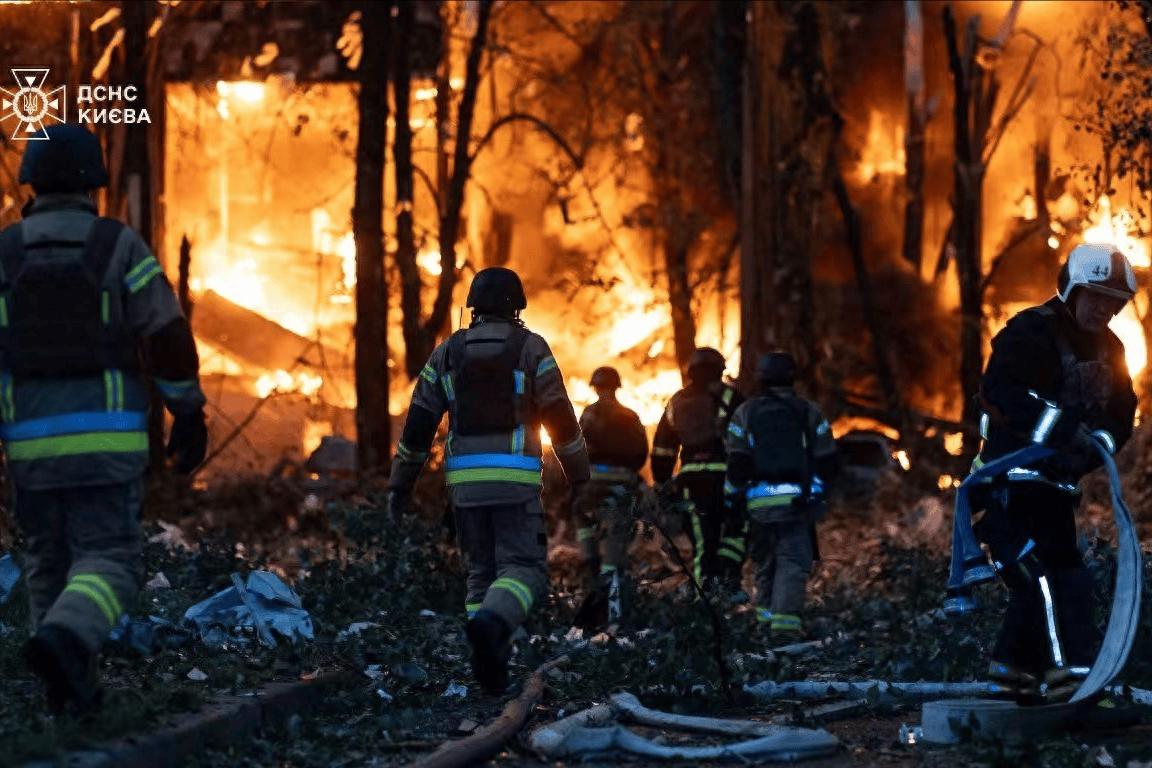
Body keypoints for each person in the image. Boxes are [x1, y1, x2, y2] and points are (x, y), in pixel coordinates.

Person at [4, 124, 208, 716]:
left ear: (32, 184)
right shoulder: (117, 247)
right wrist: (187, 412)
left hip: (29, 448)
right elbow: (166, 334)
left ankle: (70, 694)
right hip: (105, 444)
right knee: (110, 559)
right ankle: (67, 639)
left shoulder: (4, 254)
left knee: (48, 558)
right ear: (94, 185)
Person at [388, 266, 589, 693]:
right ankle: (494, 627)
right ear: (516, 307)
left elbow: (418, 427)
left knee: (481, 572)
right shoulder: (532, 349)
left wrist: (399, 484)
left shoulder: (447, 353)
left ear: (473, 307)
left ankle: (488, 664)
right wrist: (580, 478)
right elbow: (561, 420)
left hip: (465, 486)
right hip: (514, 482)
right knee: (526, 570)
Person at [970, 243, 1137, 703]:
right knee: (1045, 580)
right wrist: (1062, 429)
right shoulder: (1028, 333)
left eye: (1112, 301)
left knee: (1054, 581)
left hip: (1055, 491)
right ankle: (1072, 684)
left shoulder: (1112, 349)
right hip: (1007, 485)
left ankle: (1010, 681)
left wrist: (1097, 445)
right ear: (1071, 289)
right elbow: (999, 392)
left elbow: (1121, 413)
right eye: (1095, 296)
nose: (1103, 309)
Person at [724, 352, 838, 643]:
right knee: (792, 562)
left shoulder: (745, 413)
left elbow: (737, 464)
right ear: (792, 378)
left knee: (765, 565)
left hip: (757, 506)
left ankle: (764, 626)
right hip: (795, 505)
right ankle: (784, 631)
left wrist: (732, 500)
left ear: (761, 379)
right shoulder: (808, 412)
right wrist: (817, 494)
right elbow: (827, 461)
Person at [651, 347, 746, 597]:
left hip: (692, 482)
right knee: (735, 529)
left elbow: (663, 447)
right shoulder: (732, 397)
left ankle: (707, 595)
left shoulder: (677, 402)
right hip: (727, 479)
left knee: (703, 540)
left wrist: (662, 482)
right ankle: (728, 583)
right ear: (720, 370)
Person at [571, 366, 649, 628]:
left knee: (584, 524)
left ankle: (590, 562)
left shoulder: (588, 415)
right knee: (616, 544)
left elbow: (577, 448)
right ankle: (614, 611)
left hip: (592, 484)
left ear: (595, 387)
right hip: (623, 484)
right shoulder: (631, 416)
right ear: (617, 387)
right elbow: (641, 452)